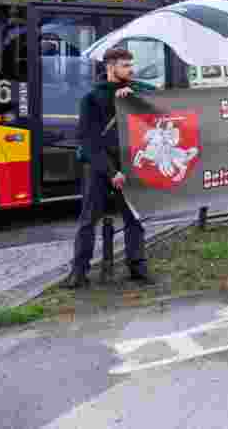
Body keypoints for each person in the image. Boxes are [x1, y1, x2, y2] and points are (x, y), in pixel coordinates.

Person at [65, 48, 156, 289]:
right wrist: (110, 171)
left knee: (134, 219)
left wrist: (134, 96)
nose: (131, 69)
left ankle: (138, 268)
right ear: (110, 67)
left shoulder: (135, 90)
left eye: (130, 65)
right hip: (100, 169)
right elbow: (88, 140)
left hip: (129, 166)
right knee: (88, 221)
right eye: (125, 65)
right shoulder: (92, 98)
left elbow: (160, 101)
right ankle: (79, 272)